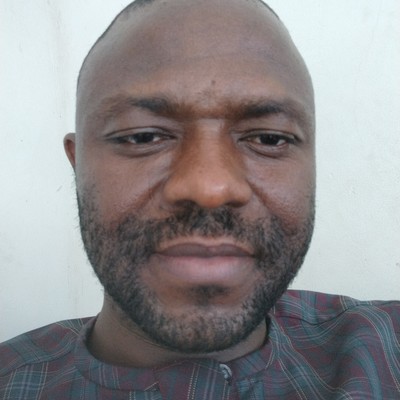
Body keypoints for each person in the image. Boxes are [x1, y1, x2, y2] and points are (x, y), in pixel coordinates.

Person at [0, 0, 399, 398]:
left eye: (269, 138)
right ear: (77, 164)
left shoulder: (385, 346)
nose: (210, 189)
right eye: (142, 137)